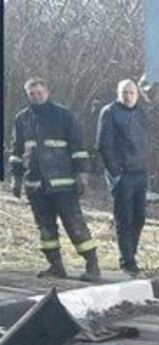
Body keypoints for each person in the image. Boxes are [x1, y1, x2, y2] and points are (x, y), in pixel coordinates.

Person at [8, 77, 101, 280]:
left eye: (39, 92)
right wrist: (15, 178)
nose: (36, 96)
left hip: (63, 184)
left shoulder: (63, 115)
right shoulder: (22, 118)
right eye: (32, 94)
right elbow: (16, 150)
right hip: (35, 185)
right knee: (46, 229)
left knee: (75, 226)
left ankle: (92, 266)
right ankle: (56, 266)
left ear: (47, 92)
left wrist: (81, 174)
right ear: (28, 95)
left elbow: (77, 146)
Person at [95, 79, 150, 276]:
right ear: (118, 93)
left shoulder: (141, 112)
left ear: (137, 94)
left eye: (131, 92)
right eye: (124, 92)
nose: (128, 96)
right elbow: (103, 144)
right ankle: (127, 260)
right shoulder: (109, 112)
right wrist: (115, 172)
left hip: (140, 172)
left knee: (139, 217)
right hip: (122, 174)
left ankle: (130, 254)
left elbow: (144, 140)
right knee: (124, 218)